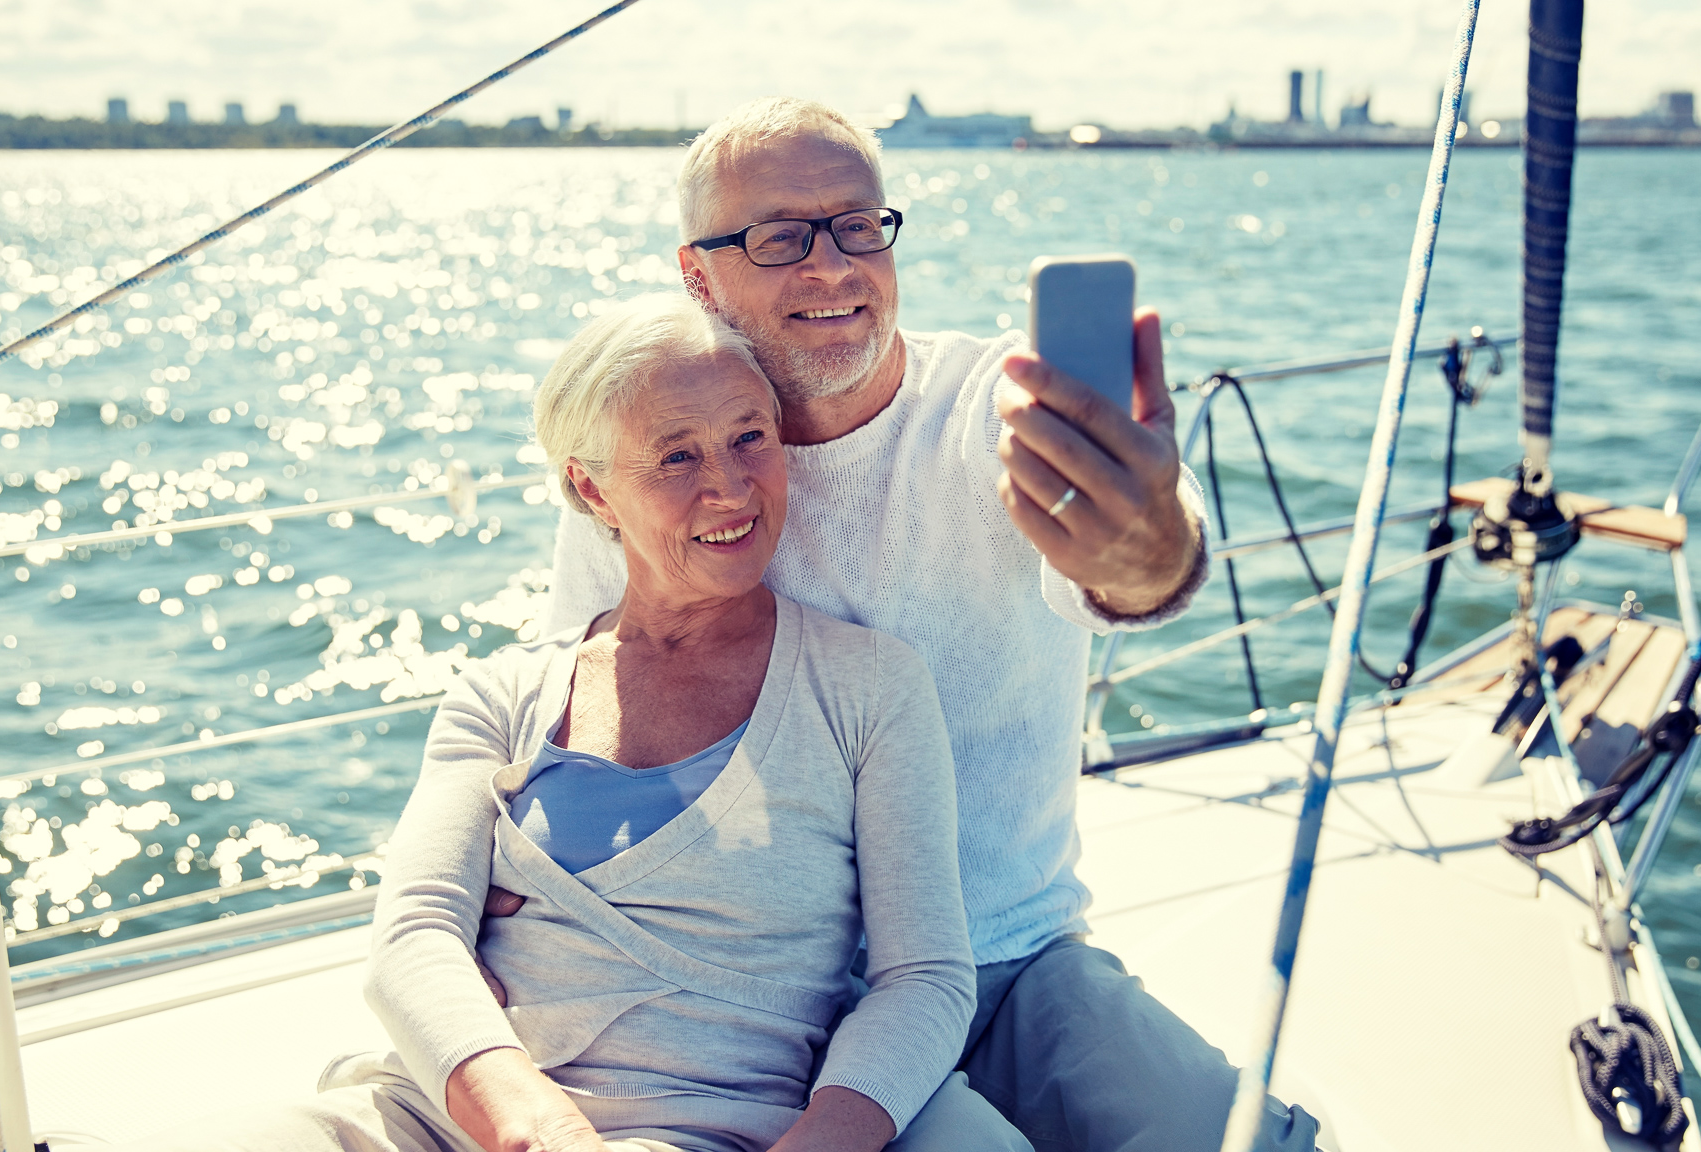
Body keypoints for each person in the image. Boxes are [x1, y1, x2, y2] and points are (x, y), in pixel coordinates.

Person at [497, 98, 1322, 1151]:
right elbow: (579, 706)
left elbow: (1141, 572)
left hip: (1011, 955)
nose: (832, 266)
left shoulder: (998, 415)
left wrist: (1146, 550)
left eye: (857, 224)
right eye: (779, 237)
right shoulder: (656, 466)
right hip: (768, 991)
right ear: (697, 277)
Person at [120, 294, 1026, 1152]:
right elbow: (413, 938)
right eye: (676, 456)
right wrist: (538, 1130)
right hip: (453, 1119)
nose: (731, 486)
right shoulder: (502, 693)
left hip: (705, 1127)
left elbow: (923, 979)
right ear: (592, 493)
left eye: (751, 437)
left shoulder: (868, 686)